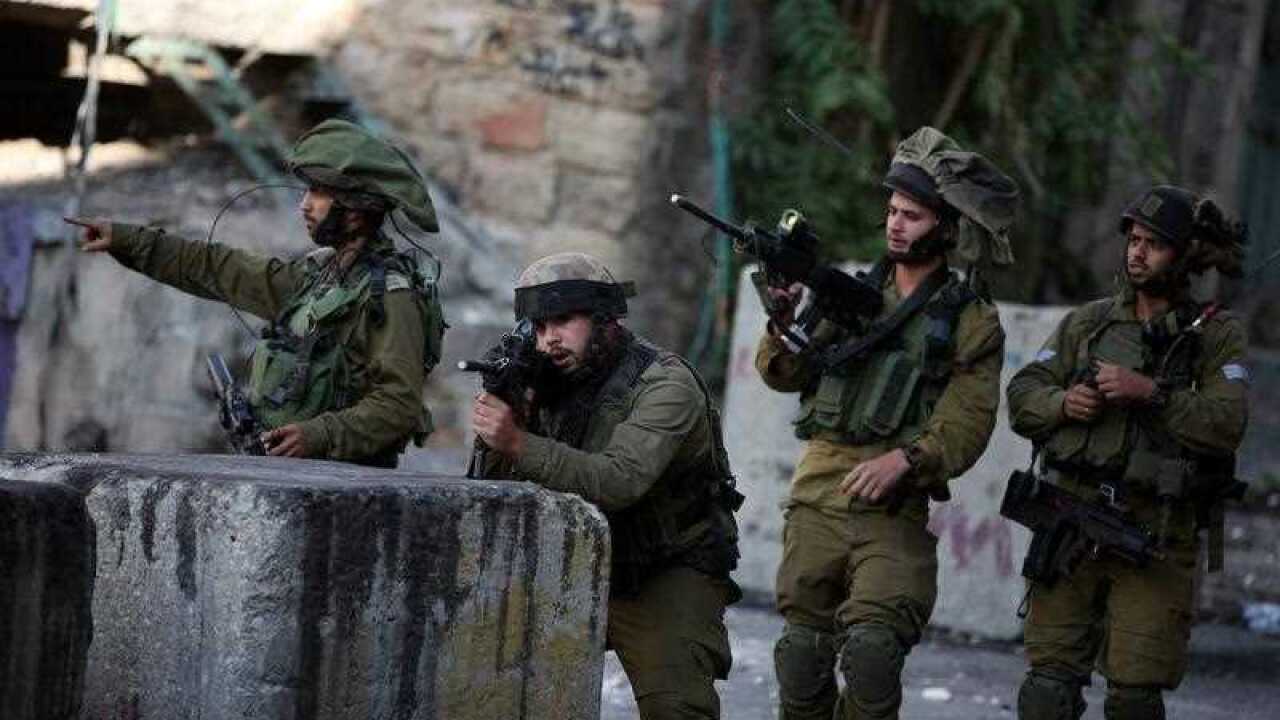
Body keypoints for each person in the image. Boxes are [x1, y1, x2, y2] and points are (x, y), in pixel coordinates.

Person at [756, 127, 1017, 719]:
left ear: (946, 228)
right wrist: (781, 321)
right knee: (801, 656)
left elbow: (968, 423)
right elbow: (783, 374)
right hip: (819, 493)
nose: (897, 225)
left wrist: (907, 459)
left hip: (893, 509)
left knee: (873, 656)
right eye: (893, 212)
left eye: (914, 216)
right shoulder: (848, 292)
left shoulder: (969, 320)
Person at [66, 119, 445, 467]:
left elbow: (399, 406)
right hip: (295, 475)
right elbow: (218, 268)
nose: (305, 204)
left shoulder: (392, 296)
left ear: (356, 211)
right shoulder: (316, 277)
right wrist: (129, 240)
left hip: (349, 486)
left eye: (319, 193)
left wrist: (318, 435)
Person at [1006, 185, 1249, 720]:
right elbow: (1023, 393)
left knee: (1134, 700)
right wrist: (1063, 402)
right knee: (1046, 690)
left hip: (1152, 535)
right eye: (1133, 240)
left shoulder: (1215, 336)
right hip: (1071, 523)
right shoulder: (1089, 323)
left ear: (1184, 255)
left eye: (1154, 244)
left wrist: (1153, 394)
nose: (1137, 253)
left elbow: (1227, 423)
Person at [470, 252, 742, 720]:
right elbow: (490, 495)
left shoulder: (664, 385)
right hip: (574, 563)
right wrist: (512, 410)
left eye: (563, 320)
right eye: (538, 328)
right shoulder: (548, 379)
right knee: (496, 690)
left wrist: (518, 441)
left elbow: (619, 481)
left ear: (604, 320)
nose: (549, 339)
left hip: (665, 567)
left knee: (676, 709)